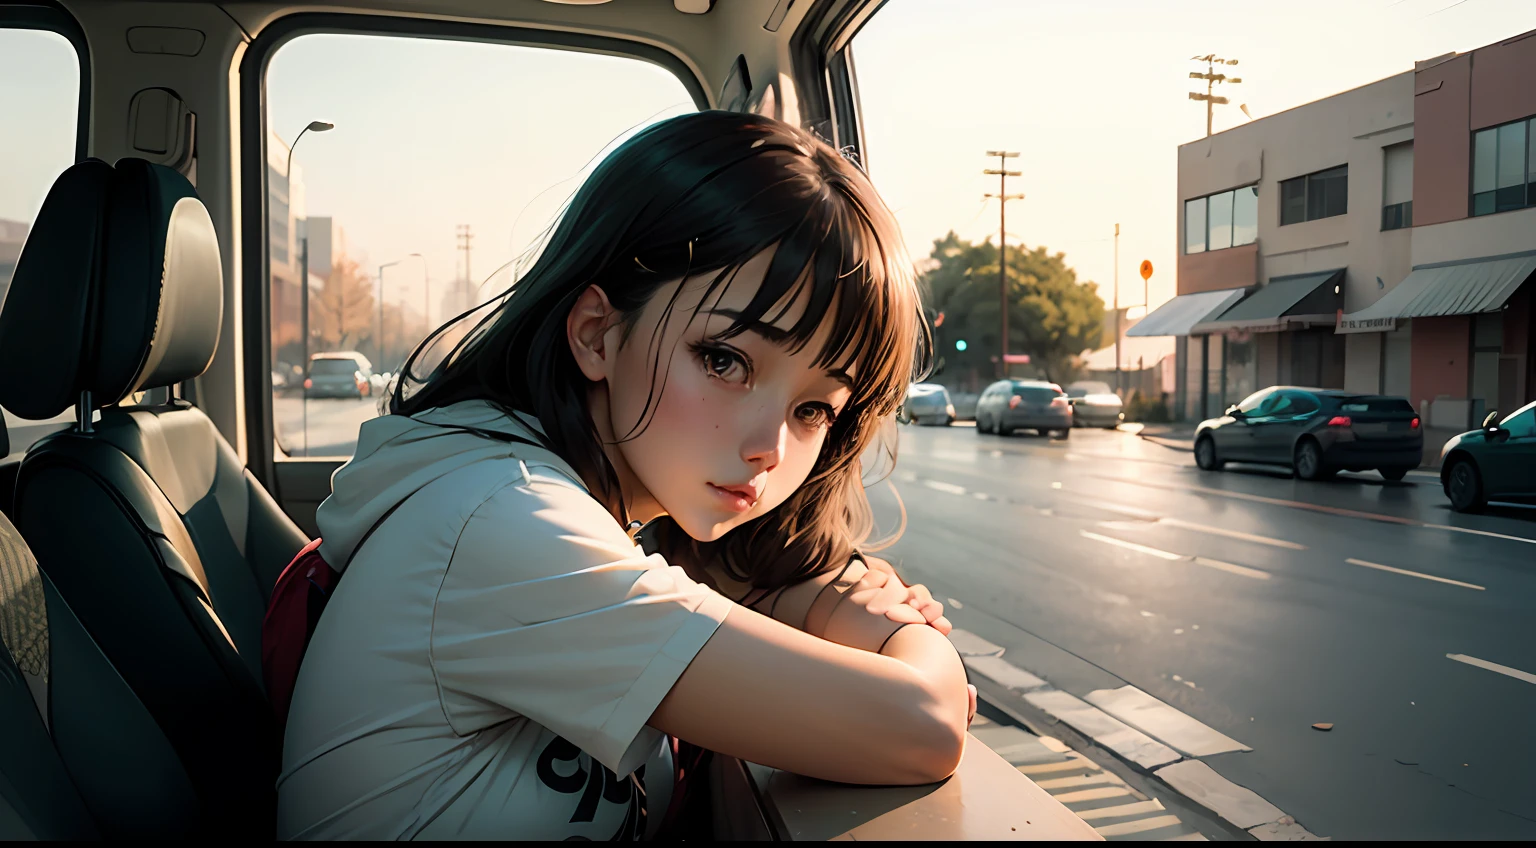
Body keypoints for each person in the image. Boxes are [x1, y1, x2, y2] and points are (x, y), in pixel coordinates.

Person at [276, 111, 974, 841]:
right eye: (725, 360)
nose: (771, 446)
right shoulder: (504, 522)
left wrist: (834, 600)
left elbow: (760, 611)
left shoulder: (580, 511)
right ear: (597, 335)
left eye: (813, 408)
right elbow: (921, 723)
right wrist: (914, 637)